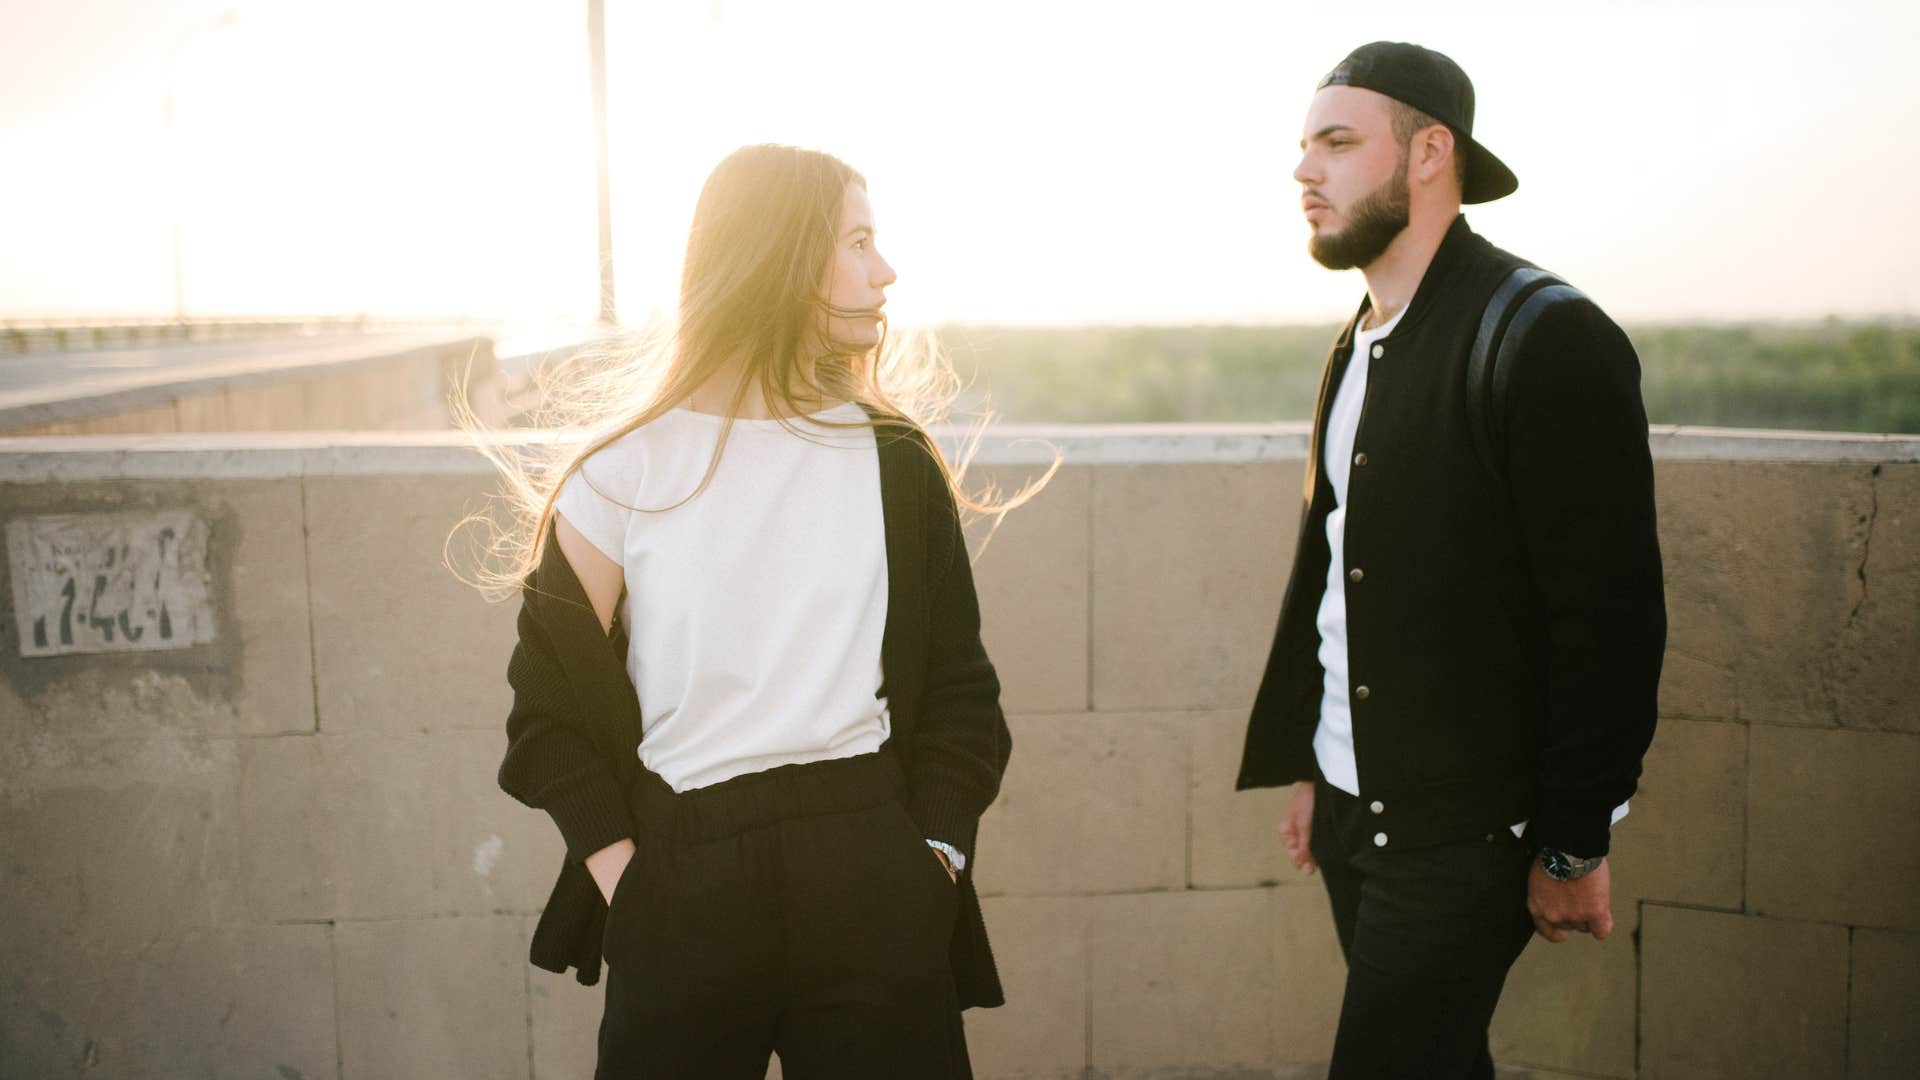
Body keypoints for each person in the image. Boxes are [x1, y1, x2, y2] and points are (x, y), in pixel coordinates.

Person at [483, 144, 1020, 1079]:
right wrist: (630, 884)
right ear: (778, 257)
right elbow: (546, 719)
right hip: (682, 876)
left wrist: (932, 855)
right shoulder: (620, 473)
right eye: (858, 241)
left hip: (871, 861)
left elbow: (962, 696)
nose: (884, 269)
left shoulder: (895, 460)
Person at [1235, 43, 1667, 1079]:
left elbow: (1609, 624)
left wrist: (1573, 845)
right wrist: (1314, 763)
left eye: (1337, 143)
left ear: (1432, 152)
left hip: (1464, 841)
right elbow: (1340, 576)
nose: (1305, 172)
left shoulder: (1546, 337)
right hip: (1351, 814)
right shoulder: (1360, 339)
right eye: (1303, 147)